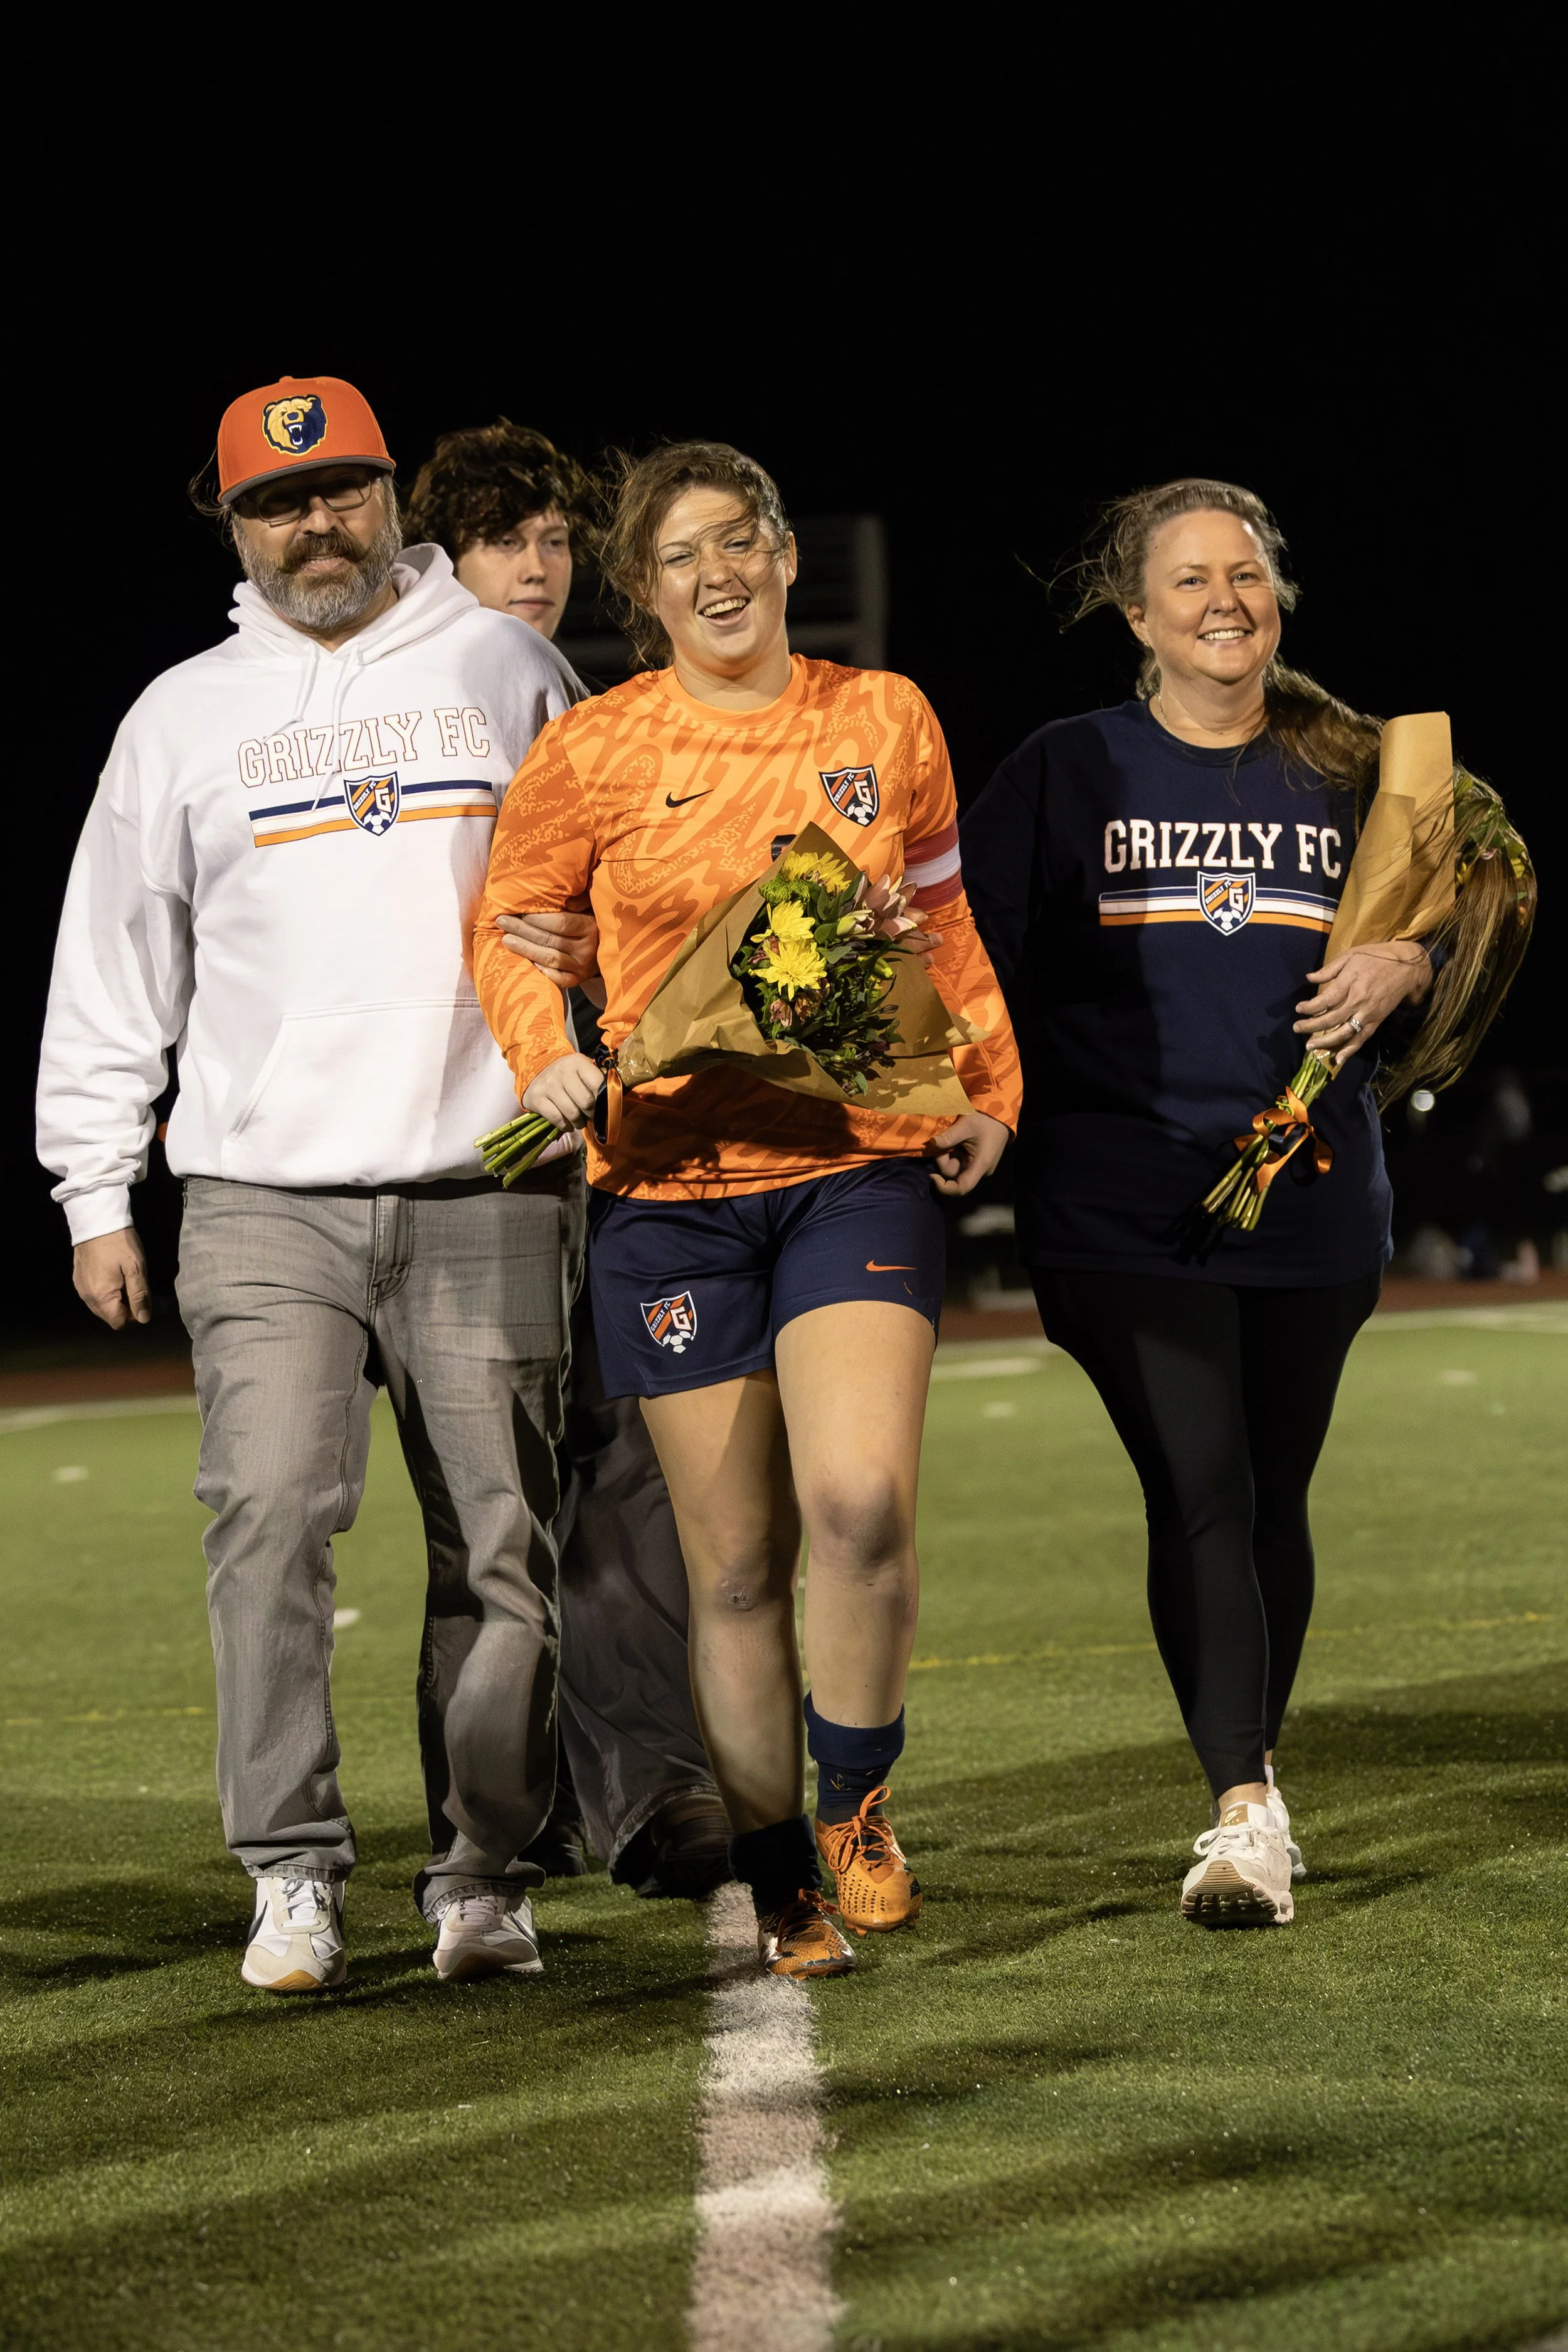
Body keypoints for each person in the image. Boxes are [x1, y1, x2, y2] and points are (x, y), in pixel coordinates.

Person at [36, 374, 585, 1992]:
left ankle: (482, 1874)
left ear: (393, 494)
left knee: (500, 1548)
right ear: (234, 524)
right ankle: (291, 1871)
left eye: (342, 489)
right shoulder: (182, 714)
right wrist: (91, 1186)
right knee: (267, 1521)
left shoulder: (505, 665)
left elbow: (607, 889)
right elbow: (114, 965)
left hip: (485, 1177)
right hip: (262, 1197)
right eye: (280, 502)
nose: (316, 522)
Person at [472, 441, 1022, 1976]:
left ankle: (852, 1805)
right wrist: (551, 1060)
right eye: (679, 557)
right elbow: (515, 936)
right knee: (727, 1564)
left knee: (857, 1506)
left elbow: (938, 919)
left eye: (740, 541)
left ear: (783, 555)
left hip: (851, 1166)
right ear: (644, 597)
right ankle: (778, 1872)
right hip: (666, 1195)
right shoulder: (590, 748)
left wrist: (988, 1086)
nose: (716, 574)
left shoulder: (881, 718)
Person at [961, 476, 1526, 1927]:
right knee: (1200, 1480)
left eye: (1248, 577)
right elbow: (973, 965)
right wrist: (965, 1109)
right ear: (1136, 615)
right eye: (1191, 581)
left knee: (1268, 1498)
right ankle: (1241, 1808)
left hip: (1315, 1196)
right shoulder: (1061, 768)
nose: (1227, 602)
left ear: (1276, 597)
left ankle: (1250, 1780)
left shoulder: (1351, 766)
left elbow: (1475, 886)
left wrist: (1407, 960)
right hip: (1120, 1199)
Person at [403, 423, 732, 1898]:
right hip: (440, 1160)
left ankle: (647, 1791)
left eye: (550, 543)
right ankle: (498, 1822)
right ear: (438, 558)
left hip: (583, 1149)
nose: (532, 570)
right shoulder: (414, 698)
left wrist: (593, 939)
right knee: (487, 1511)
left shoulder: (569, 698)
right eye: (500, 544)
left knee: (621, 1478)